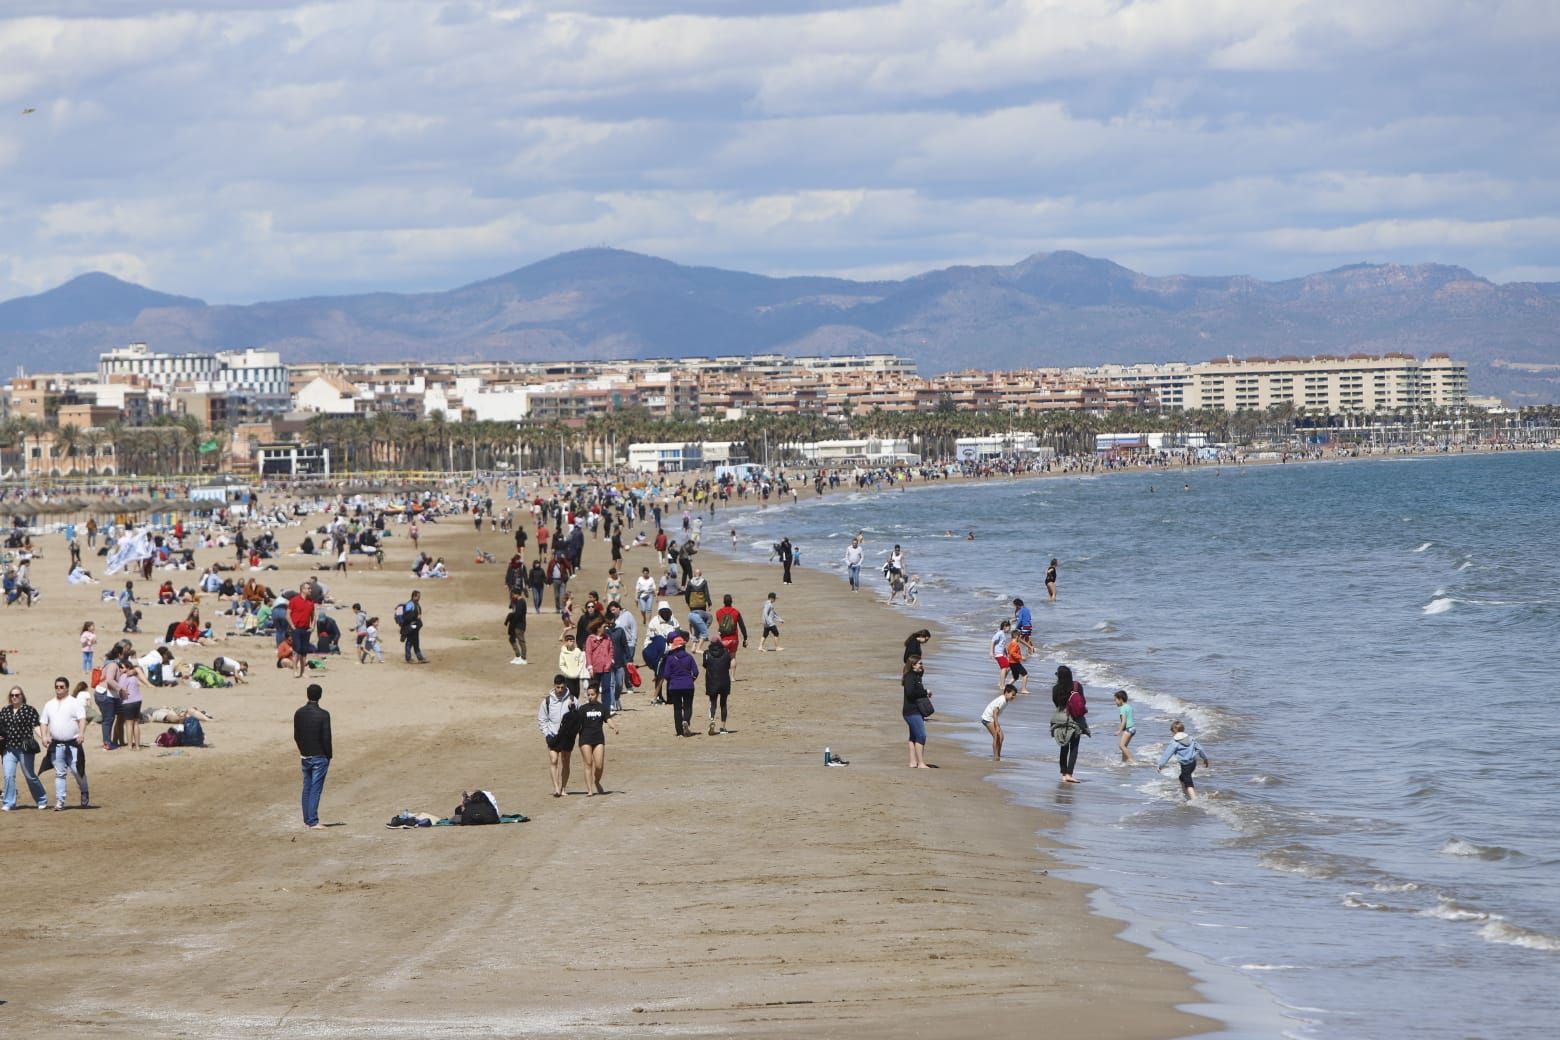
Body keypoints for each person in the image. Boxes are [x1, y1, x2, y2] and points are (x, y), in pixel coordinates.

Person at [41, 676, 90, 809]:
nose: (59, 689)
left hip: (73, 743)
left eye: (61, 687)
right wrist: (44, 736)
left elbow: (82, 719)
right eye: (56, 687)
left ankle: (84, 791)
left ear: (67, 688)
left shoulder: (75, 703)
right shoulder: (49, 704)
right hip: (56, 745)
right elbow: (44, 722)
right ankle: (60, 801)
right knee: (60, 773)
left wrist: (81, 734)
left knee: (77, 770)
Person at [2, 685, 48, 810]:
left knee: (29, 775)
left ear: (22, 696)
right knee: (8, 775)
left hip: (25, 748)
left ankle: (42, 799)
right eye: (12, 695)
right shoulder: (5, 711)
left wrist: (44, 737)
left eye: (17, 695)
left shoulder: (29, 710)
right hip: (8, 748)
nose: (14, 697)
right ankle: (8, 802)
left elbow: (36, 726)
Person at [293, 683, 332, 829]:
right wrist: (328, 756)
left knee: (307, 787)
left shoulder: (299, 713)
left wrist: (302, 751)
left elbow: (297, 735)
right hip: (319, 755)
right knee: (315, 788)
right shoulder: (323, 714)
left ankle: (307, 819)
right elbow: (326, 738)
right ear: (320, 696)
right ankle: (312, 820)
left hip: (305, 755)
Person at [538, 675, 577, 797]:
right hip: (553, 735)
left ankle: (564, 788)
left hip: (567, 736)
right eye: (557, 687)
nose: (560, 690)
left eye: (562, 687)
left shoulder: (572, 699)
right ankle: (556, 788)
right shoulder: (547, 701)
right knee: (554, 760)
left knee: (566, 762)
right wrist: (546, 734)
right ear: (554, 686)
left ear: (566, 686)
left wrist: (573, 709)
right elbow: (542, 720)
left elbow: (577, 718)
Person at [575, 685, 618, 796]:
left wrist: (613, 727)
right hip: (585, 738)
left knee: (599, 765)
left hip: (598, 739)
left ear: (597, 694)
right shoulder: (583, 709)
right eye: (588, 695)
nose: (590, 697)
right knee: (588, 763)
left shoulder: (602, 707)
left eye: (592, 694)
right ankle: (589, 790)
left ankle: (597, 780)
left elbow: (608, 718)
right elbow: (577, 724)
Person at [1052, 665, 1088, 783]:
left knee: (1063, 745)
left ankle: (1063, 774)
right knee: (1074, 747)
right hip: (1075, 719)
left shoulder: (1056, 688)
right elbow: (1082, 702)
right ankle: (1069, 773)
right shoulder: (1077, 686)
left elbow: (1056, 703)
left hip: (1060, 718)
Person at [1157, 720, 1211, 800]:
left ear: (1173, 731)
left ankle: (1194, 800)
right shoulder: (1191, 738)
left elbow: (1167, 755)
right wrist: (1205, 758)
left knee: (1188, 784)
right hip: (1193, 763)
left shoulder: (1174, 742)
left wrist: (1160, 765)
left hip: (1185, 765)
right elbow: (1200, 749)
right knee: (1182, 778)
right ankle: (1186, 796)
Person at [660, 634, 699, 737]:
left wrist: (671, 680)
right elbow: (695, 672)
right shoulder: (689, 657)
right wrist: (691, 680)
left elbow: (666, 674)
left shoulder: (670, 658)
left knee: (677, 708)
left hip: (675, 686)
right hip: (688, 685)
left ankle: (679, 732)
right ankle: (686, 720)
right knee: (688, 706)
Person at [901, 655, 930, 769]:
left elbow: (914, 692)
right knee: (921, 735)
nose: (922, 665)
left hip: (914, 711)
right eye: (920, 663)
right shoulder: (910, 677)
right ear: (913, 665)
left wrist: (924, 692)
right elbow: (910, 693)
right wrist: (925, 692)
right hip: (911, 711)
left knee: (913, 736)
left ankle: (913, 762)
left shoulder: (916, 676)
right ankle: (921, 763)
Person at [702, 637, 732, 735]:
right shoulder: (726, 652)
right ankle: (723, 727)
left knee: (713, 702)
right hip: (724, 681)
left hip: (712, 681)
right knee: (723, 704)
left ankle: (712, 721)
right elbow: (728, 665)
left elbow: (705, 665)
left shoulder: (706, 653)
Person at [713, 594, 747, 678]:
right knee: (733, 657)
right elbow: (742, 626)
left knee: (722, 658)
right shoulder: (736, 612)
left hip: (723, 639)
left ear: (723, 602)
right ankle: (732, 677)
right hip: (734, 639)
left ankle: (724, 676)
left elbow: (720, 623)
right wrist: (745, 638)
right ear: (731, 601)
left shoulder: (718, 612)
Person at [981, 684, 1018, 761]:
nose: (1014, 697)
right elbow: (995, 712)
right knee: (996, 736)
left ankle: (998, 754)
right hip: (987, 718)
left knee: (1001, 737)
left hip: (991, 718)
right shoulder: (1002, 700)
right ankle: (996, 756)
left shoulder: (1005, 700)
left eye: (1015, 695)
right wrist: (997, 725)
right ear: (1006, 693)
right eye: (1013, 695)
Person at [287, 590, 315, 679]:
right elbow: (287, 614)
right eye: (308, 588)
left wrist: (313, 626)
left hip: (306, 629)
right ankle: (295, 670)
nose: (310, 590)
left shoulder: (310, 602)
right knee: (296, 650)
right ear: (303, 589)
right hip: (296, 628)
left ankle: (303, 672)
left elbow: (313, 615)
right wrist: (292, 625)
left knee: (304, 652)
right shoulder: (294, 600)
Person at [399, 589, 426, 664]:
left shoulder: (416, 603)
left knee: (416, 641)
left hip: (415, 625)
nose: (419, 598)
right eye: (418, 596)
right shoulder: (410, 604)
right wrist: (415, 617)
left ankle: (420, 657)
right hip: (412, 625)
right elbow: (407, 616)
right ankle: (408, 658)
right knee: (410, 641)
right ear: (414, 596)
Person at [505, 591, 529, 665]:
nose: (512, 596)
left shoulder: (521, 602)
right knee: (511, 639)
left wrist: (512, 617)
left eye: (513, 595)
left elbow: (518, 614)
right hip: (515, 624)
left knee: (521, 641)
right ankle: (518, 656)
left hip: (520, 625)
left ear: (517, 594)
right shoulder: (516, 602)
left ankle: (523, 658)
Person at [989, 619, 1012, 690]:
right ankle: (1002, 685)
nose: (1009, 629)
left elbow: (1003, 645)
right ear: (1005, 626)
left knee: (1008, 667)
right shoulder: (999, 633)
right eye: (1009, 628)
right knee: (1004, 668)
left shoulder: (1003, 635)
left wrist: (1006, 654)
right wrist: (991, 651)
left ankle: (1001, 682)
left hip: (1001, 654)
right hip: (998, 654)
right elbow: (992, 641)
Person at [1115, 690, 1136, 764]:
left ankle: (1132, 760)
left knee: (1121, 746)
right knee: (1124, 746)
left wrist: (1119, 731)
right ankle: (1124, 761)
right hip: (1133, 728)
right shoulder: (1128, 706)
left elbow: (1123, 721)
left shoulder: (1123, 708)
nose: (1115, 702)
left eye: (1116, 700)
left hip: (1129, 729)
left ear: (1120, 699)